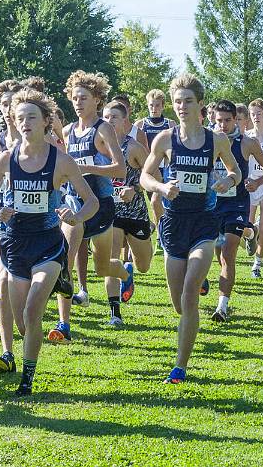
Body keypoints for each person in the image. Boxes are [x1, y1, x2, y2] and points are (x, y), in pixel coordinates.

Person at [0, 88, 98, 395]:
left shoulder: (61, 161)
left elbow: (91, 202)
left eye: (32, 117)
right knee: (23, 323)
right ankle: (26, 348)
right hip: (14, 244)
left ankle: (27, 380)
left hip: (48, 245)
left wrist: (75, 217)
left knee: (33, 311)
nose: (25, 122)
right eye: (20, 118)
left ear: (46, 121)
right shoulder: (7, 158)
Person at [140, 73, 239, 384]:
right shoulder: (165, 139)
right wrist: (160, 186)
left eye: (188, 101)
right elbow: (144, 175)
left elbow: (234, 170)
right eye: (178, 101)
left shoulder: (216, 140)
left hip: (204, 222)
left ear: (201, 105)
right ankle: (191, 307)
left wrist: (227, 180)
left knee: (189, 294)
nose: (181, 106)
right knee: (177, 300)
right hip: (173, 223)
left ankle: (179, 367)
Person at [47, 70, 130, 342]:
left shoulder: (102, 129)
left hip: (101, 206)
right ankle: (64, 324)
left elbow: (120, 170)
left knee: (104, 268)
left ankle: (124, 272)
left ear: (97, 100)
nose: (78, 102)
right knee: (65, 261)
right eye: (74, 98)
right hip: (73, 204)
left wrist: (86, 167)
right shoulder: (69, 131)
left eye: (84, 97)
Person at [211, 100, 263, 322]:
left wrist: (257, 184)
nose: (224, 125)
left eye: (229, 120)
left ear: (236, 120)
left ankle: (222, 307)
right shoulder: (207, 142)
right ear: (213, 120)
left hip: (236, 205)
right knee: (216, 253)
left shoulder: (247, 143)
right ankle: (250, 232)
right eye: (219, 121)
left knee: (228, 253)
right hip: (211, 205)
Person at [104, 101, 157, 307]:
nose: (109, 121)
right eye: (106, 117)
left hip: (135, 212)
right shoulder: (100, 147)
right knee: (111, 256)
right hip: (111, 212)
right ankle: (114, 311)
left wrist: (134, 189)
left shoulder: (134, 147)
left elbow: (155, 176)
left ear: (125, 120)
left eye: (114, 117)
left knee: (143, 265)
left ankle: (129, 272)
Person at [0, 79, 24, 374]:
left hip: (38, 223)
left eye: (10, 105)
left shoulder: (41, 139)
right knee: (3, 279)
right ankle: (7, 352)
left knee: (19, 286)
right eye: (2, 105)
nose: (6, 110)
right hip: (3, 217)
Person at [135, 89, 176, 255]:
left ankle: (161, 236)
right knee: (148, 204)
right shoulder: (140, 125)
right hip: (147, 171)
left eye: (157, 105)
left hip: (164, 171)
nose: (154, 108)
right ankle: (156, 229)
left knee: (156, 203)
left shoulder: (170, 124)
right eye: (151, 105)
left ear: (163, 106)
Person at [246, 98, 263, 277]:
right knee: (245, 226)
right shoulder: (246, 136)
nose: (256, 117)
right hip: (249, 185)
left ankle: (257, 264)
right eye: (252, 114)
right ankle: (250, 234)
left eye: (259, 114)